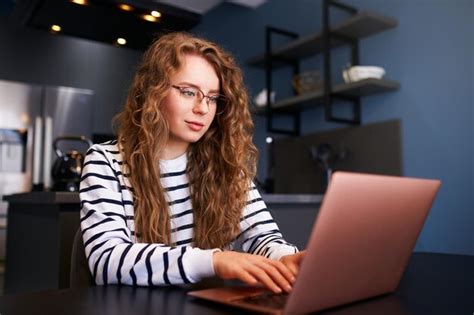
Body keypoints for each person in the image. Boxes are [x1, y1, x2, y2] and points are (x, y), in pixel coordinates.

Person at [79, 32, 305, 294]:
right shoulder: (106, 162)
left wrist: (284, 258)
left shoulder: (225, 164)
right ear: (153, 91)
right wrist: (213, 260)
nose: (203, 108)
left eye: (211, 97)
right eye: (188, 92)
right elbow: (106, 260)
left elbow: (262, 237)